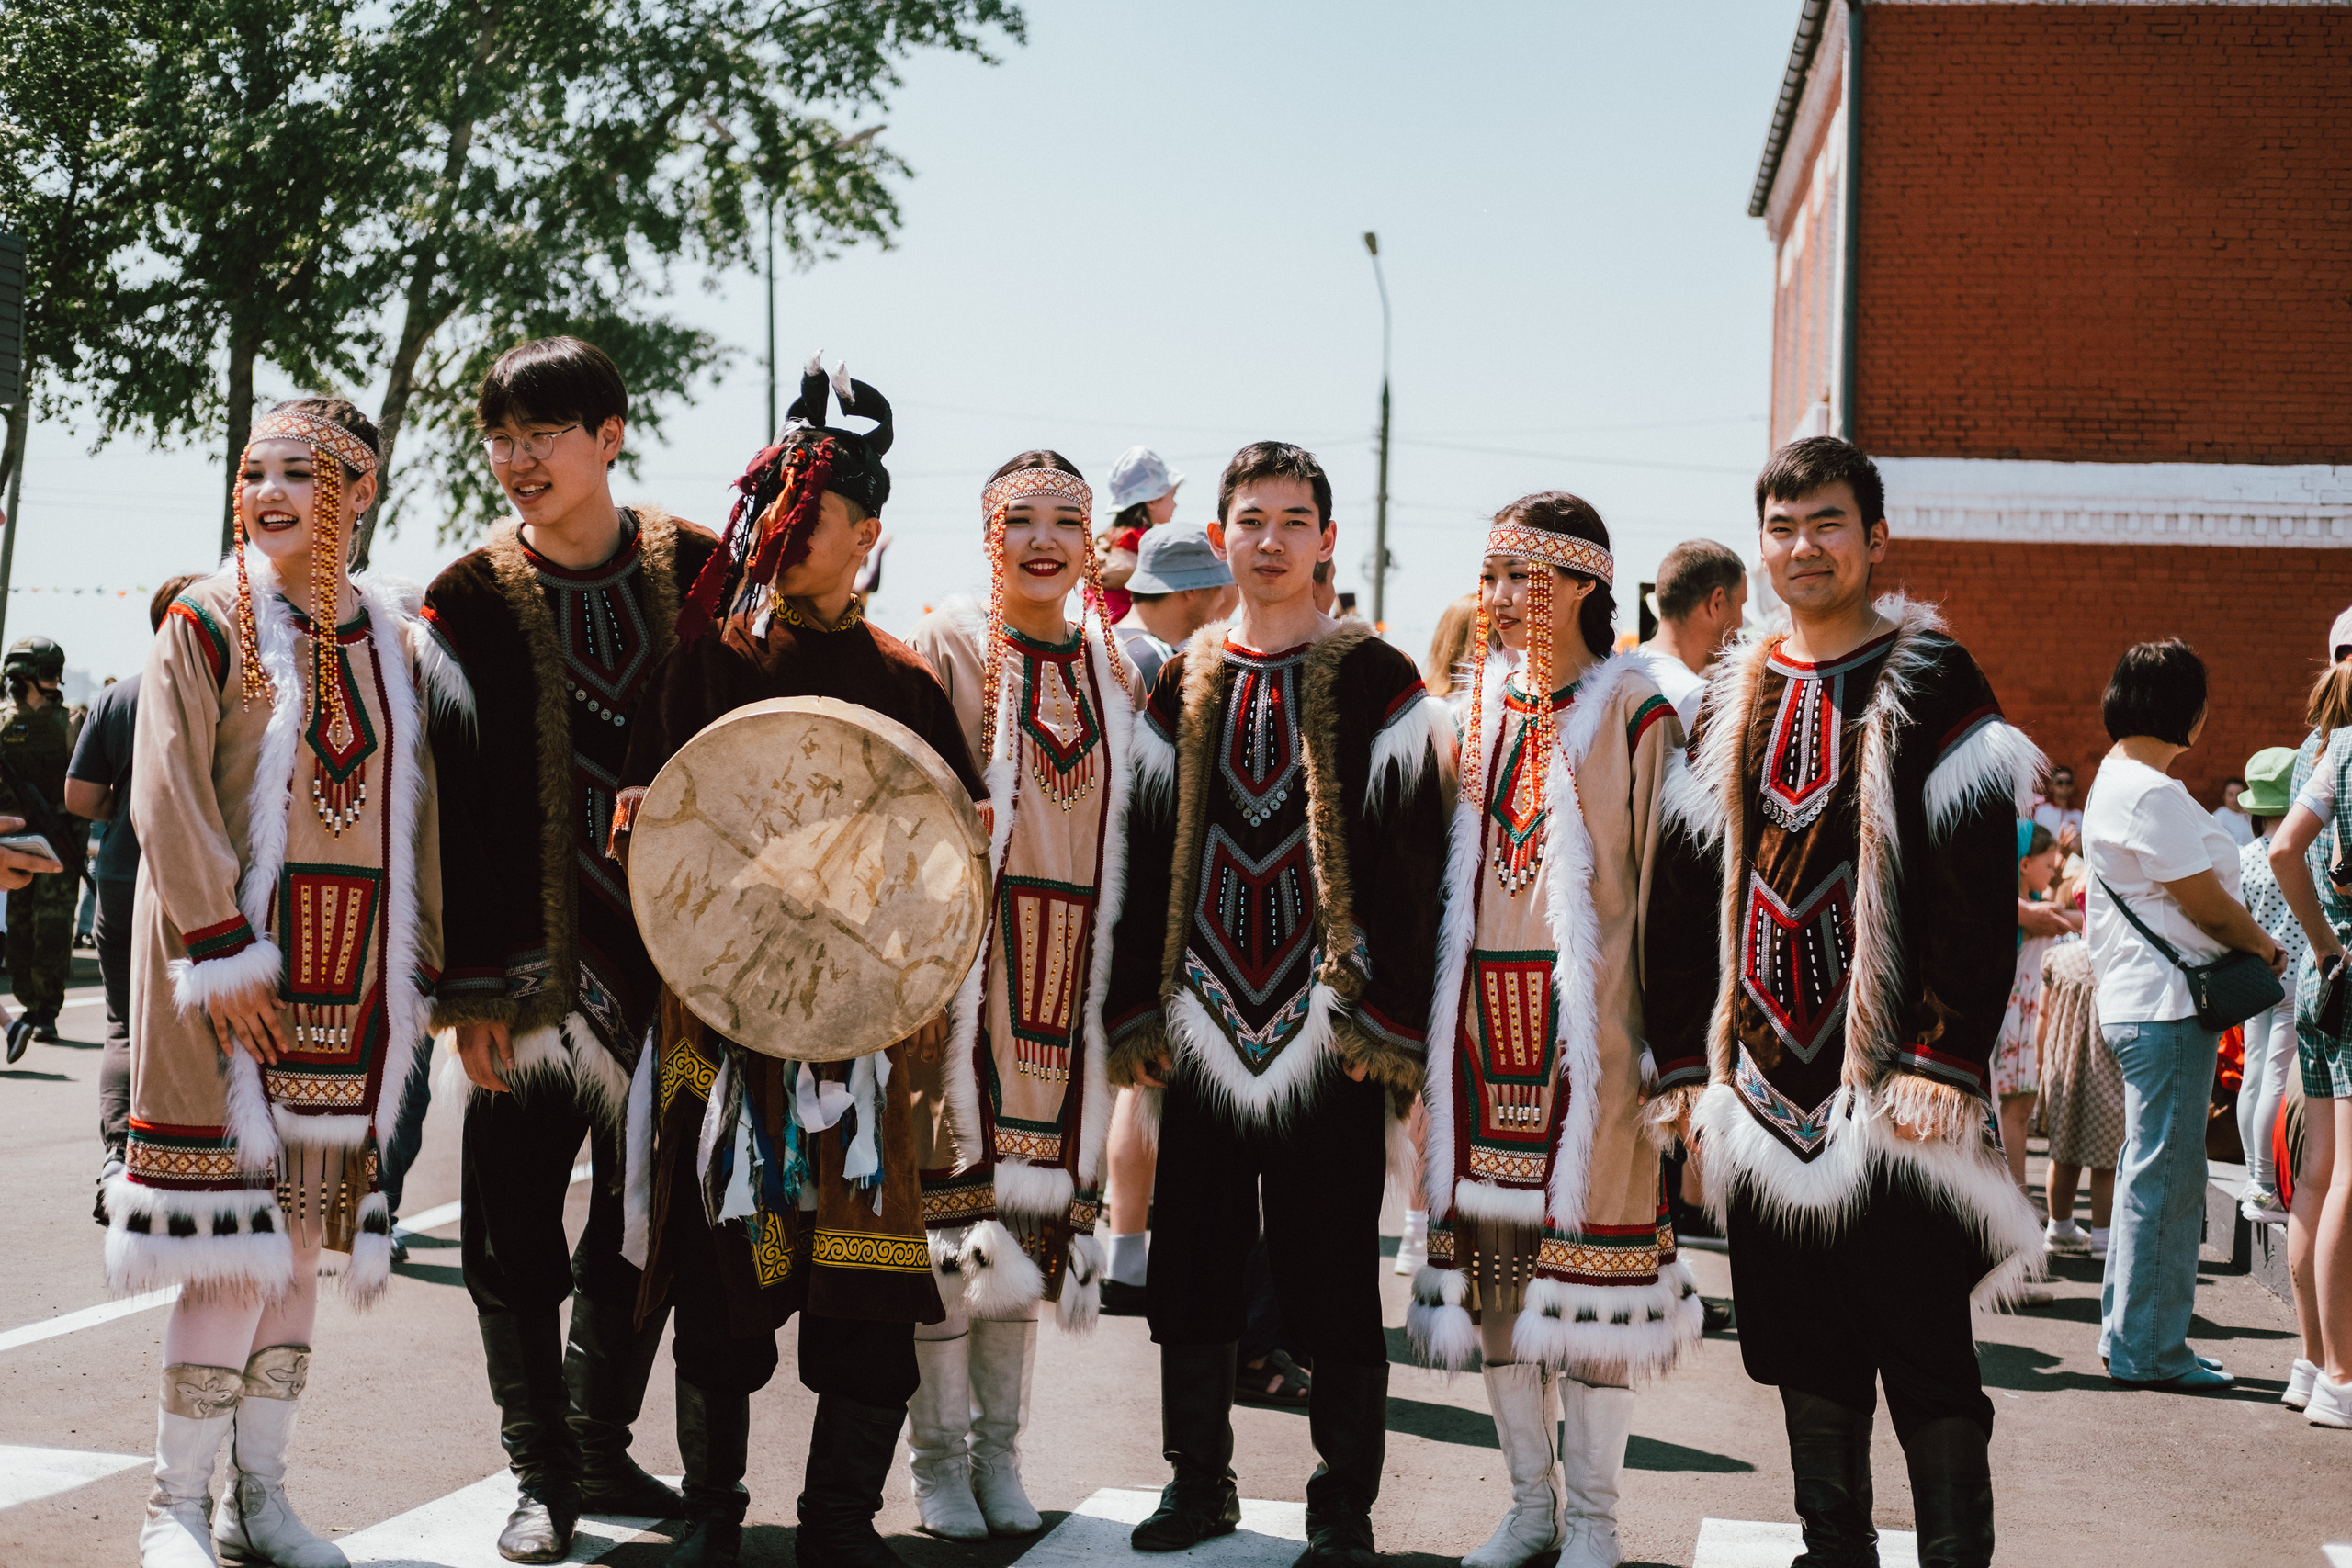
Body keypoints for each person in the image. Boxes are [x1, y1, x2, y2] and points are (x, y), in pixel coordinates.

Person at [1645, 437, 2045, 1568]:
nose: (1802, 547)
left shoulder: (1932, 677)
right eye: (1781, 527)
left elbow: (1975, 892)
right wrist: (1685, 1070)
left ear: (1875, 539)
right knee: (1802, 1346)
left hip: (1891, 1089)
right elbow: (1684, 898)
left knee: (1922, 1346)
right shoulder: (1734, 690)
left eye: (1826, 523)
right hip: (1765, 1088)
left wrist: (1941, 1053)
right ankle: (1834, 1551)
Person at [613, 356, 981, 1567]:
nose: (776, 530)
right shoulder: (703, 661)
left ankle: (837, 1520)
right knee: (720, 1284)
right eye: (767, 505)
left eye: (804, 512)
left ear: (864, 533)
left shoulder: (907, 681)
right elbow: (657, 837)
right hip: (724, 1026)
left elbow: (950, 865)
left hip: (870, 1037)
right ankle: (714, 1512)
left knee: (869, 1288)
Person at [109, 398, 454, 1568]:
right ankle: (173, 1507)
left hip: (349, 991)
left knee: (302, 1248)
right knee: (228, 1250)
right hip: (232, 991)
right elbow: (167, 792)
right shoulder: (206, 622)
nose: (267, 494)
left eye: (300, 475)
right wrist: (217, 948)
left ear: (356, 492)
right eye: (254, 472)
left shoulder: (396, 640)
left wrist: (429, 973)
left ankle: (263, 1500)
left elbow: (419, 823)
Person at [1102, 440, 1450, 1566]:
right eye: (1248, 520)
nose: (1268, 541)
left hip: (1329, 1033)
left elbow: (1414, 870)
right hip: (1204, 1022)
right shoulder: (1181, 678)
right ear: (1222, 536)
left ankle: (1342, 1508)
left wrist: (1387, 1027)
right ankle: (1196, 1482)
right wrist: (1135, 1013)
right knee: (1193, 1269)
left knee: (1333, 1275)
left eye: (1292, 520)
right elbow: (1142, 850)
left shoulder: (1379, 680)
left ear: (1325, 541)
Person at [423, 336, 721, 1561]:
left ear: (609, 434)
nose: (516, 458)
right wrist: (470, 990)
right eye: (499, 436)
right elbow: (446, 802)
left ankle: (602, 1440)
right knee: (510, 1229)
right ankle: (538, 1470)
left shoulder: (701, 571)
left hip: (676, 972)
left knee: (642, 1222)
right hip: (525, 977)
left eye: (542, 432)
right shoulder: (467, 597)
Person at [1407, 492, 1700, 1568]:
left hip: (1599, 1047)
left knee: (1591, 1285)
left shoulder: (1640, 711)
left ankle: (1593, 1521)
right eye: (1487, 580)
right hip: (1482, 1042)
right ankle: (1528, 1502)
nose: (1497, 601)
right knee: (1495, 1283)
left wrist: (1677, 1066)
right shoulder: (1470, 711)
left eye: (1520, 579)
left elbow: (1676, 898)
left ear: (1583, 584)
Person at [900, 450, 1139, 1540]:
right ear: (986, 533)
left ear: (1092, 542)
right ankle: (937, 1466)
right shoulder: (947, 644)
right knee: (952, 1238)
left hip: (1069, 995)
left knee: (1028, 1233)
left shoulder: (1114, 667)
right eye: (1021, 520)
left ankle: (1002, 1458)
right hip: (963, 995)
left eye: (1065, 521)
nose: (1043, 540)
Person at [2081, 638, 2285, 1392]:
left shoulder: (2118, 780)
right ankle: (2153, 1351)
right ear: (2184, 710)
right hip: (2167, 1007)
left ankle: (2130, 1335)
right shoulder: (2151, 792)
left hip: (2141, 1002)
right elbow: (2206, 906)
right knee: (2169, 1179)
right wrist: (2263, 944)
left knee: (2152, 1174)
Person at [68, 574, 205, 1208]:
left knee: (124, 1022)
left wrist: (127, 811)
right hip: (202, 888)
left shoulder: (120, 696)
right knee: (198, 1030)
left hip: (123, 878)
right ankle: (191, 1170)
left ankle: (117, 1160)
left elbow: (81, 797)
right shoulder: (228, 697)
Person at [2266, 613, 2352, 1427]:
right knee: (2342, 1177)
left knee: (2317, 1176)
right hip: (2338, 976)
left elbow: (2283, 855)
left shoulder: (2312, 755)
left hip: (2317, 982)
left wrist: (2322, 948)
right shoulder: (2342, 754)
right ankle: (2338, 1372)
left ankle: (2313, 1362)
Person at [0, 634, 85, 1048]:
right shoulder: (1, 721)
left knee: (52, 927)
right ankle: (26, 1003)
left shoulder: (71, 723)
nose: (55, 681)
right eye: (48, 672)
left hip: (57, 842)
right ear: (25, 675)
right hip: (12, 843)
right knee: (17, 928)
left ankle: (46, 1011)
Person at [2234, 747, 2304, 1224]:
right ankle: (2265, 1187)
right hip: (2297, 978)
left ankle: (2253, 1179)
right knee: (2277, 1082)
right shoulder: (2300, 855)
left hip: (2254, 978)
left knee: (2253, 1078)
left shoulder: (2244, 858)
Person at [1998, 822, 2078, 1196]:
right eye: (2048, 865)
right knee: (2016, 1109)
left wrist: (2057, 869)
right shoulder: (2026, 911)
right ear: (2024, 864)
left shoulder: (2019, 902)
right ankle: (2018, 1196)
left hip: (2020, 1017)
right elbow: (2070, 918)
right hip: (2019, 1020)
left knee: (2016, 1107)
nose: (2053, 872)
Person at [2039, 930, 2121, 1260]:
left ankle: (2059, 1228)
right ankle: (2102, 1236)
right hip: (2108, 1073)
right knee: (2107, 1160)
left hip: (2064, 1070)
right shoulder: (2118, 959)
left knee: (2063, 1154)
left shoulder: (2058, 957)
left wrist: (2041, 1061)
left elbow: (2043, 1015)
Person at [1631, 538, 1747, 733]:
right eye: (1741, 604)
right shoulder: (1695, 699)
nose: (1741, 622)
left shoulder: (1622, 675)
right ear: (1715, 603)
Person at [1113, 521, 1235, 691]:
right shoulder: (1159, 662)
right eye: (1218, 588)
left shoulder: (1105, 642)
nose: (1222, 600)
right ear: (1192, 588)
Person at [1098, 446, 1183, 626]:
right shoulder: (1142, 540)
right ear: (1152, 501)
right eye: (1172, 496)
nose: (1175, 505)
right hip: (1128, 629)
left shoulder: (1110, 539)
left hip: (1105, 627)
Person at [2034, 765, 2085, 857]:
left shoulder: (2078, 814)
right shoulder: (2042, 810)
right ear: (2051, 786)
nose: (2064, 786)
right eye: (2059, 782)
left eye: (2068, 782)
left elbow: (2079, 843)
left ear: (2072, 787)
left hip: (2070, 862)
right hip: (2047, 859)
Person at [2213, 776, 2256, 848]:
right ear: (2224, 796)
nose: (2234, 799)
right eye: (2230, 795)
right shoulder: (2220, 816)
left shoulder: (2249, 815)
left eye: (2238, 794)